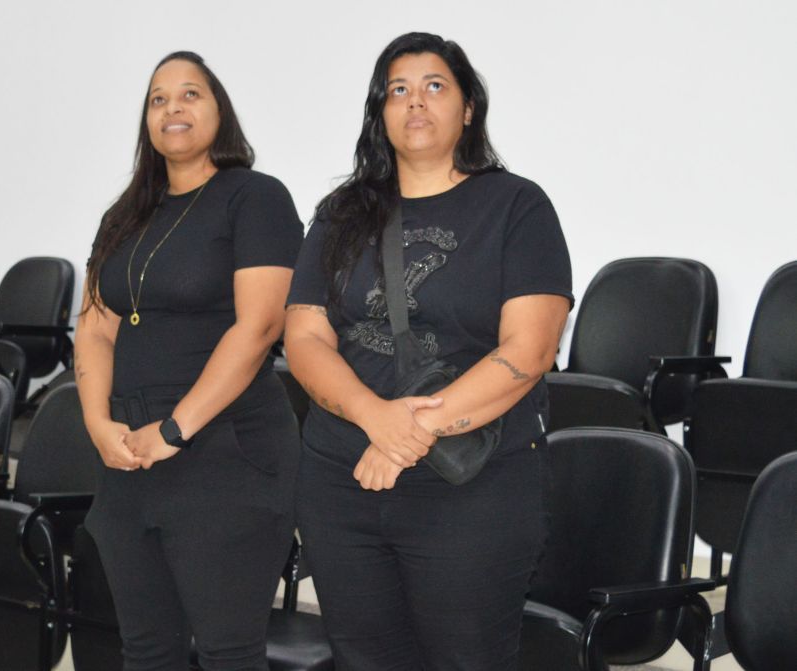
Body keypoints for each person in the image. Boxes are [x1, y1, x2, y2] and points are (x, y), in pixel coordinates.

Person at [285, 32, 573, 669]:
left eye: (434, 86)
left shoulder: (516, 207)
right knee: (364, 657)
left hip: (470, 482)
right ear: (380, 112)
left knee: (466, 657)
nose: (415, 101)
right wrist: (374, 418)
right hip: (342, 479)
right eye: (398, 90)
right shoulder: (340, 213)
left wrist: (404, 436)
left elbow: (529, 349)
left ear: (467, 108)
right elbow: (303, 337)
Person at [75, 51, 302, 671]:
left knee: (229, 653)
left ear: (219, 110)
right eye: (158, 98)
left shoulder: (255, 197)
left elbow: (260, 327)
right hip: (128, 452)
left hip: (224, 451)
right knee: (146, 650)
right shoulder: (124, 214)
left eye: (190, 94)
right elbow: (94, 325)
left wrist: (176, 429)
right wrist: (97, 423)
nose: (172, 108)